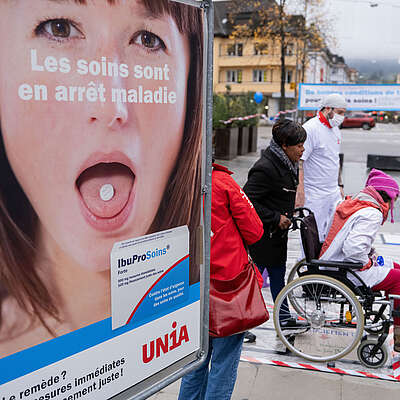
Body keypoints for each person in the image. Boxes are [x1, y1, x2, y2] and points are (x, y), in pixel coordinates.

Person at [0, 0, 203, 358]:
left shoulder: (182, 314)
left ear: (191, 81)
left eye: (148, 39)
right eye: (59, 28)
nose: (110, 106)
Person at [178, 162, 264, 400]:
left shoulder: (178, 181)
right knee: (224, 362)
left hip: (191, 284)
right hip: (229, 285)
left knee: (194, 361)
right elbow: (255, 230)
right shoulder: (222, 182)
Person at [319, 168, 400, 351]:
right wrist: (368, 262)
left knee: (396, 268)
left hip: (336, 261)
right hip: (346, 268)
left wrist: (370, 255)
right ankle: (399, 333)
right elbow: (353, 249)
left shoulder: (359, 203)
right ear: (387, 198)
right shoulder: (372, 213)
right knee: (398, 280)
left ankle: (394, 314)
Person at [243, 120, 306, 323]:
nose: (302, 150)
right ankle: (241, 323)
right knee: (253, 282)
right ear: (284, 145)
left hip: (277, 236)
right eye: (299, 145)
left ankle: (284, 318)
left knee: (278, 276)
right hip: (262, 237)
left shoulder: (287, 162)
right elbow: (247, 201)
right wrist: (275, 217)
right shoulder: (265, 168)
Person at [296, 93, 347, 242]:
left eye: (343, 113)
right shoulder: (310, 129)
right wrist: (300, 190)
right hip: (314, 194)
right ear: (328, 109)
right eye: (339, 112)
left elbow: (335, 159)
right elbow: (299, 162)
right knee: (312, 237)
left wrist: (340, 185)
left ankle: (325, 259)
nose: (342, 117)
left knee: (331, 237)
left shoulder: (335, 129)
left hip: (333, 192)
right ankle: (308, 258)